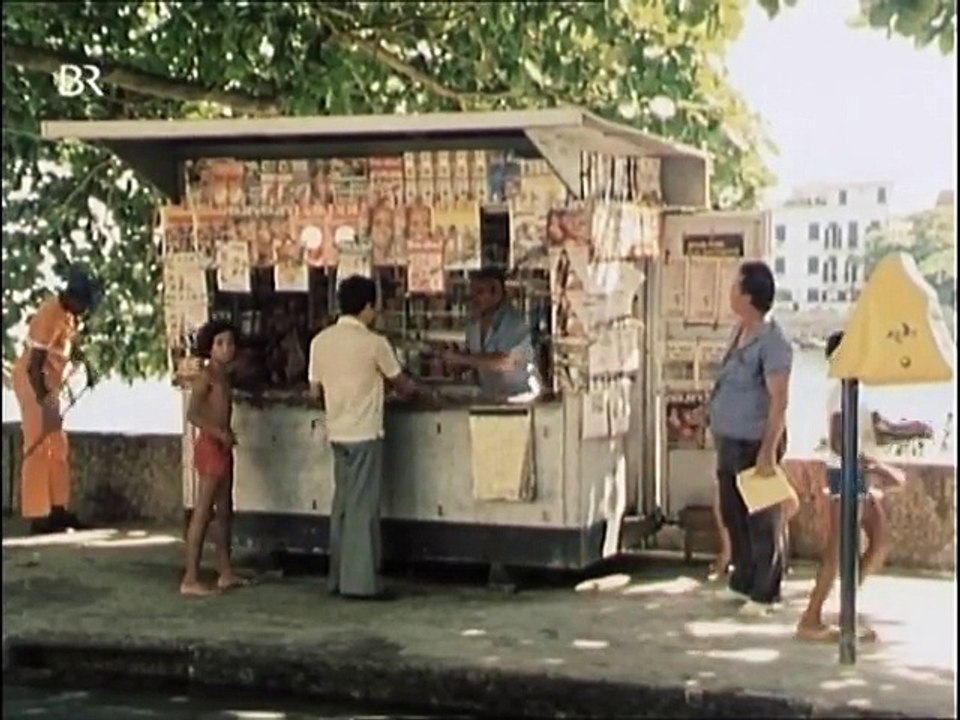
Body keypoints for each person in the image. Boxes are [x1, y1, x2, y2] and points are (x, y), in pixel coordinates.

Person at [795, 331, 932, 641]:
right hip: (846, 475)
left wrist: (913, 430)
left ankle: (845, 605)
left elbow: (882, 430)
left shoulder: (857, 393)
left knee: (880, 539)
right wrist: (871, 464)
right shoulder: (840, 393)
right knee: (837, 550)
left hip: (856, 474)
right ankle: (811, 618)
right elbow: (838, 439)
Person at [308, 275, 426, 600]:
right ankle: (360, 583)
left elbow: (314, 390)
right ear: (368, 307)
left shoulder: (320, 341)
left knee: (343, 505)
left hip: (337, 432)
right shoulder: (375, 344)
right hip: (364, 433)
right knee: (363, 509)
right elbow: (403, 385)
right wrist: (420, 391)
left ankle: (337, 576)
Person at [708, 261, 792, 617]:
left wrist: (768, 451)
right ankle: (742, 580)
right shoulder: (739, 332)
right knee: (733, 513)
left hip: (755, 441)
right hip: (729, 438)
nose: (730, 292)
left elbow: (779, 399)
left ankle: (765, 590)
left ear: (748, 296)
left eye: (735, 287)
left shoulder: (773, 343)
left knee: (761, 519)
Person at [12, 268, 100, 535]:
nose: (86, 310)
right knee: (38, 447)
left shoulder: (68, 316)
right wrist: (46, 404)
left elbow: (67, 346)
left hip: (50, 385)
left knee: (57, 446)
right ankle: (38, 515)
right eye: (85, 303)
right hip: (34, 384)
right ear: (73, 297)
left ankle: (57, 508)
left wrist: (86, 365)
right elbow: (33, 366)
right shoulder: (48, 314)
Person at [180, 320, 248, 596]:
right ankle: (190, 577)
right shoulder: (206, 377)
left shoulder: (223, 376)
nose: (227, 348)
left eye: (230, 343)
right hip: (211, 445)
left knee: (224, 512)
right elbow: (193, 414)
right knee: (203, 512)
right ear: (209, 347)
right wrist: (220, 434)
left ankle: (225, 571)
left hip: (221, 445)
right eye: (220, 343)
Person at [441, 268, 542, 403]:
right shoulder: (473, 325)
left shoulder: (513, 322)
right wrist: (454, 361)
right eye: (472, 292)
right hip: (491, 397)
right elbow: (476, 359)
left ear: (496, 291)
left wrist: (462, 359)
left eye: (479, 292)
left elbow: (506, 361)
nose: (473, 298)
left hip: (520, 398)